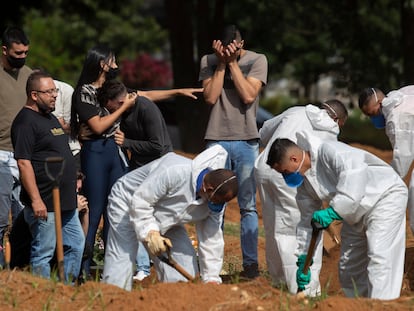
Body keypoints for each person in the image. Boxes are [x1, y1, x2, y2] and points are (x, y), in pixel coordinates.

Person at [266, 131, 408, 300]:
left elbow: (354, 175)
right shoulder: (304, 185)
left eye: (285, 171)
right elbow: (307, 224)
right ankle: (357, 305)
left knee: (380, 256)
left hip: (384, 196)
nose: (285, 176)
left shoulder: (330, 151)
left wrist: (334, 211)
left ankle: (381, 304)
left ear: (294, 159)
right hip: (355, 211)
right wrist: (304, 259)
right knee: (349, 266)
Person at [102, 145, 238, 291]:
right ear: (208, 189)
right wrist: (151, 232)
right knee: (122, 256)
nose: (217, 205)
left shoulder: (216, 203)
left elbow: (212, 238)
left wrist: (211, 278)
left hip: (167, 216)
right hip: (129, 201)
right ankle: (113, 297)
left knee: (184, 265)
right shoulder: (175, 171)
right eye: (216, 200)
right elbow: (141, 201)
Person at [254, 100, 348, 295]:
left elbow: (263, 132)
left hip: (266, 168)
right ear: (337, 120)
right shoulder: (330, 133)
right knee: (299, 230)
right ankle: (305, 289)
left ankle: (279, 281)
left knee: (274, 228)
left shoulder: (296, 111)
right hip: (292, 173)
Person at [199, 24, 268, 278]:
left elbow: (249, 95)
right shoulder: (208, 60)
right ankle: (211, 267)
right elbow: (210, 97)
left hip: (247, 139)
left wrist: (232, 64)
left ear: (241, 44)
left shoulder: (258, 60)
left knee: (248, 205)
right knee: (213, 202)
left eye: (233, 50)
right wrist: (220, 63)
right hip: (215, 138)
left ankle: (250, 265)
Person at [70, 44, 138, 277]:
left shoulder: (112, 89)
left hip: (114, 152)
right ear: (103, 64)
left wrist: (177, 92)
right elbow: (98, 126)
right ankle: (82, 269)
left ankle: (113, 269)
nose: (117, 65)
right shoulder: (83, 91)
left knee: (116, 211)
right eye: (113, 60)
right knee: (94, 210)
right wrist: (124, 108)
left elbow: (141, 96)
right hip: (95, 153)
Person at [10, 70, 85, 282]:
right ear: (34, 95)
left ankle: (65, 290)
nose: (55, 96)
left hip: (65, 200)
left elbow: (58, 151)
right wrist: (35, 200)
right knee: (44, 252)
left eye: (55, 90)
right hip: (45, 202)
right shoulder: (25, 122)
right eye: (49, 92)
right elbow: (24, 163)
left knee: (76, 244)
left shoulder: (49, 117)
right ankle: (42, 295)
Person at [97, 79, 174, 281]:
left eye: (109, 105)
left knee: (156, 219)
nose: (108, 109)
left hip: (159, 170)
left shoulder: (146, 109)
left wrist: (127, 142)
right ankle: (141, 267)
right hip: (139, 168)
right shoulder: (125, 109)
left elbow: (158, 146)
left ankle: (161, 271)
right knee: (132, 215)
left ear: (120, 102)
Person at [358, 87, 414, 233]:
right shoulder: (403, 93)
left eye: (373, 113)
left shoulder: (397, 118)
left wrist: (381, 187)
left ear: (380, 102)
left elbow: (402, 159)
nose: (373, 118)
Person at [0, 26, 32, 267]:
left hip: (23, 155)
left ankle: (20, 271)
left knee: (23, 217)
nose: (22, 57)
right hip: (0, 154)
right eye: (17, 53)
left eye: (25, 53)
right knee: (1, 218)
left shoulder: (29, 76)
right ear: (4, 50)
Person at [52, 79, 82, 171]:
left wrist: (58, 124)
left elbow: (72, 127)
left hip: (71, 151)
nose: (53, 95)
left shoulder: (65, 90)